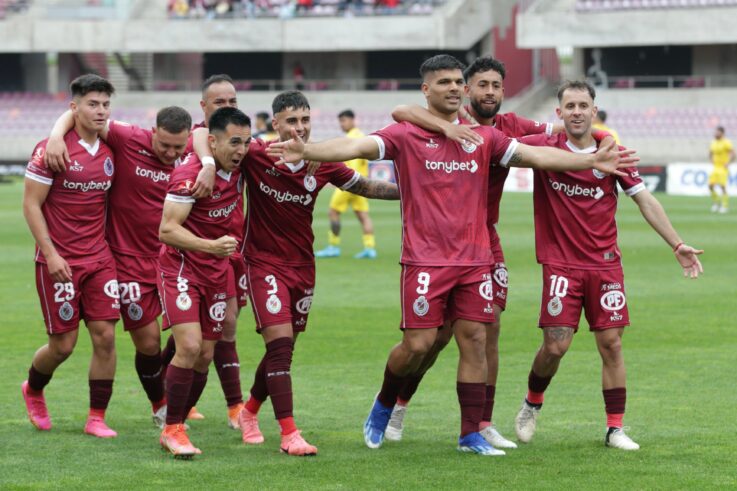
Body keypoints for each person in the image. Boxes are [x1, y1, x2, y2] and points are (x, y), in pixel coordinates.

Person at [267, 55, 637, 456]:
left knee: (476, 338)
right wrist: (311, 150)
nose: (454, 87)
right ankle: (386, 401)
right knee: (420, 344)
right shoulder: (404, 134)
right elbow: (356, 144)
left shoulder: (484, 137)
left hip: (476, 256)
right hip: (425, 259)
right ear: (427, 89)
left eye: (458, 81)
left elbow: (538, 157)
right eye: (444, 81)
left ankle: (470, 433)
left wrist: (591, 159)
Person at [192, 90, 400, 456]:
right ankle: (289, 432)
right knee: (281, 345)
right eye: (291, 121)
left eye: (305, 121)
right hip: (262, 262)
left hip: (303, 267)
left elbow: (366, 186)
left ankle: (250, 412)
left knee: (282, 352)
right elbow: (203, 133)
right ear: (276, 125)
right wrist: (208, 164)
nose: (299, 128)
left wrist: (417, 189)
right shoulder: (256, 154)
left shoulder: (320, 161)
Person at [513, 80, 703, 451]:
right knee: (555, 346)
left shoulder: (612, 152)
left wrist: (677, 243)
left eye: (584, 105)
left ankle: (615, 428)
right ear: (559, 113)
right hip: (561, 265)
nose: (578, 112)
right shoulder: (543, 147)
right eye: (570, 106)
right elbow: (501, 134)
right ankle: (532, 403)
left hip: (605, 265)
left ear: (594, 110)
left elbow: (644, 199)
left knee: (612, 345)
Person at [384, 56, 562, 449]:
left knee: (486, 330)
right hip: (438, 243)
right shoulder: (448, 119)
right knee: (436, 338)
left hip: (485, 242)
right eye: (482, 85)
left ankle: (481, 422)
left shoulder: (509, 127)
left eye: (497, 86)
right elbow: (401, 110)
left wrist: (602, 141)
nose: (490, 93)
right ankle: (399, 403)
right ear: (468, 89)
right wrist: (445, 125)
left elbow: (562, 132)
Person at [43, 106, 193, 429]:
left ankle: (177, 391)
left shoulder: (193, 152)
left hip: (173, 259)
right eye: (164, 145)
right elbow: (81, 114)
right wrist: (56, 135)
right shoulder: (128, 138)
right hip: (126, 262)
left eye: (178, 148)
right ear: (153, 132)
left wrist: (207, 163)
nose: (170, 153)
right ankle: (160, 405)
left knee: (196, 340)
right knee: (148, 341)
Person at [21, 74, 120, 438]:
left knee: (105, 337)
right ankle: (33, 389)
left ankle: (96, 417)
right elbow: (31, 204)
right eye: (93, 104)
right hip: (59, 261)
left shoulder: (112, 150)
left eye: (106, 104)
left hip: (99, 258)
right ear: (74, 107)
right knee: (62, 346)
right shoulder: (52, 150)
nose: (101, 111)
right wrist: (51, 255)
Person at [157, 106, 249, 458]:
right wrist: (210, 246)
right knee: (191, 346)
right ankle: (173, 428)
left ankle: (173, 419)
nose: (240, 150)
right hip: (181, 267)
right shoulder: (189, 176)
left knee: (205, 355)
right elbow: (167, 230)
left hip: (216, 272)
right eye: (234, 143)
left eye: (245, 142)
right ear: (213, 142)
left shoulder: (238, 167)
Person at [315, 109, 378, 259]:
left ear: (351, 120)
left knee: (333, 212)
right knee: (363, 216)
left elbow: (354, 166)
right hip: (362, 184)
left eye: (343, 121)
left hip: (350, 184)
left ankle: (333, 246)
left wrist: (348, 183)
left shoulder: (351, 139)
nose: (341, 124)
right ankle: (370, 248)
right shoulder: (363, 137)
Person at [708, 126, 733, 213]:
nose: (715, 134)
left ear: (722, 133)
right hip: (715, 167)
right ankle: (716, 202)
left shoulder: (726, 142)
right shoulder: (713, 142)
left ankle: (724, 205)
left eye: (717, 132)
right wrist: (711, 159)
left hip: (723, 167)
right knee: (710, 186)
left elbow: (732, 153)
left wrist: (728, 162)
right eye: (715, 132)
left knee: (722, 186)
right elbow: (710, 152)